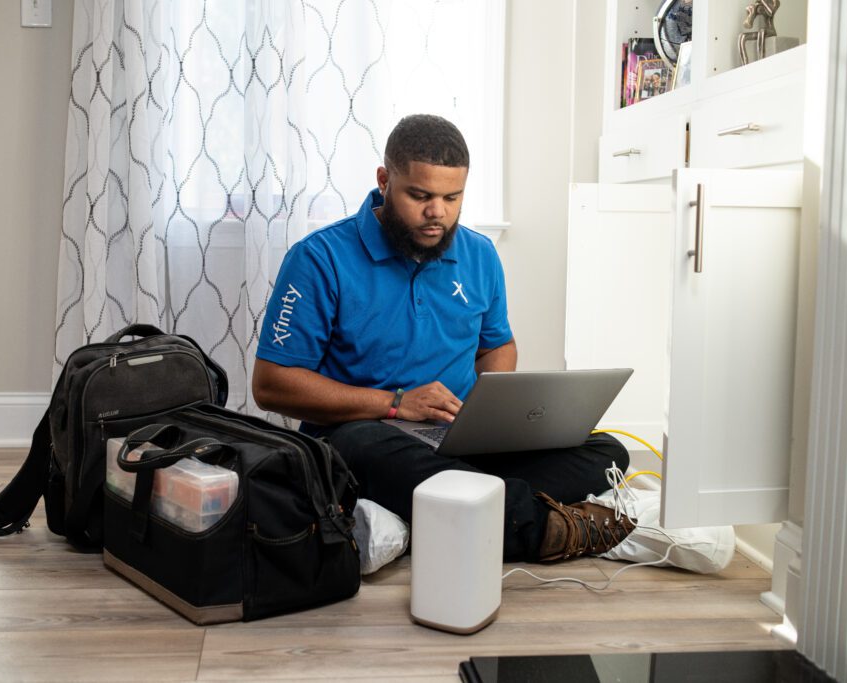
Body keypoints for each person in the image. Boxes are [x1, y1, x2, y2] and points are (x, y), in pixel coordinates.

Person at [253, 114, 634, 563]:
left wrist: (491, 412)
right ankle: (535, 525)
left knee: (606, 451)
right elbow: (270, 384)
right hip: (369, 436)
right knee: (357, 448)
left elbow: (497, 346)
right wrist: (395, 403)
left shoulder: (479, 254)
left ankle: (457, 501)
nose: (438, 212)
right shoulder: (319, 259)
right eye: (420, 195)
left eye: (453, 197)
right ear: (384, 180)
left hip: (457, 438)